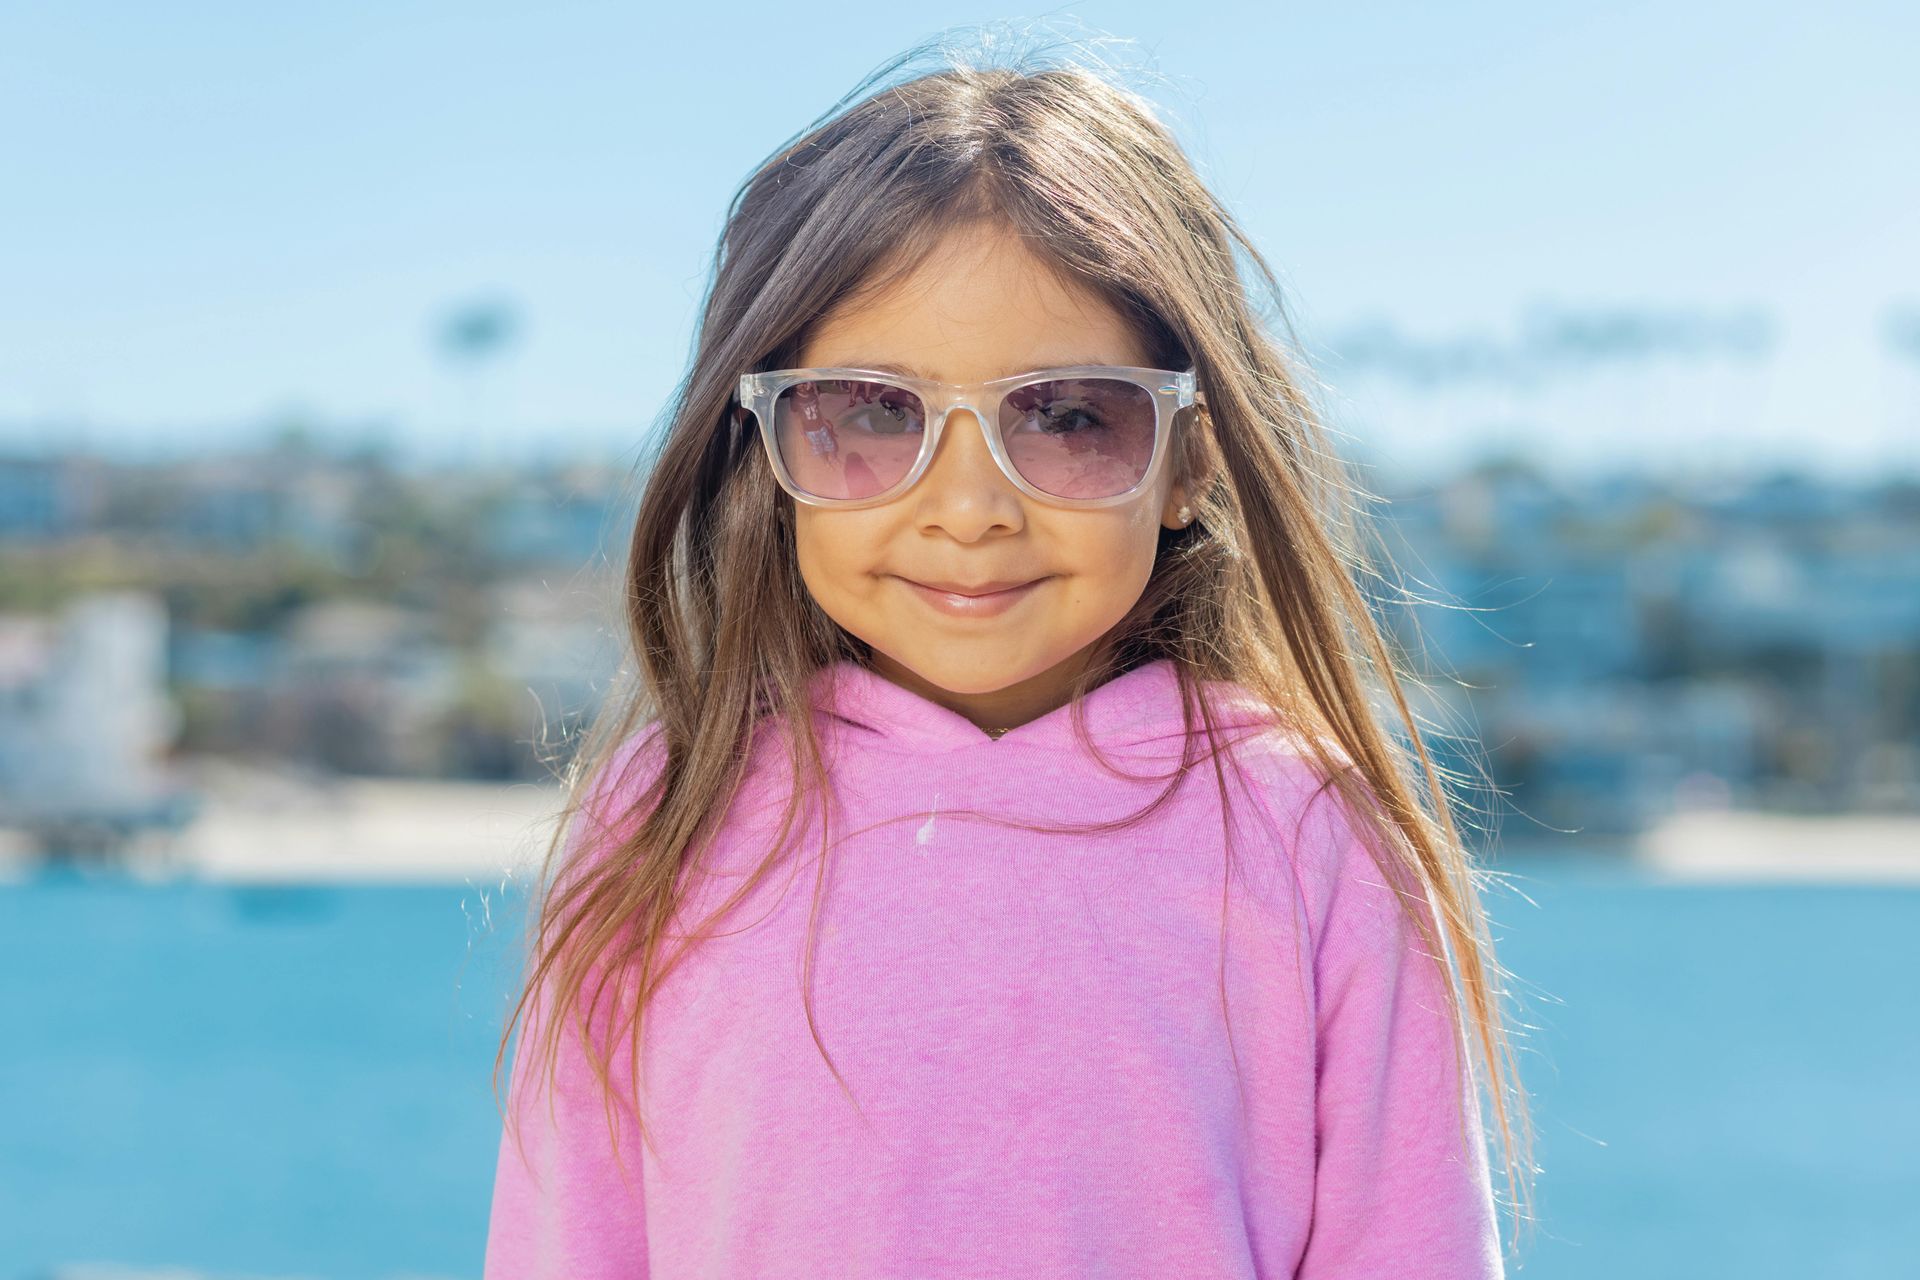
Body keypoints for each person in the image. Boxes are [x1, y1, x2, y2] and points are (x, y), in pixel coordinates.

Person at [482, 32, 1533, 1280]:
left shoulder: (1312, 833)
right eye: (872, 413)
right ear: (763, 441)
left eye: (1070, 415)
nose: (970, 505)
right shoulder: (665, 809)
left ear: (1192, 452)